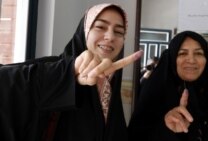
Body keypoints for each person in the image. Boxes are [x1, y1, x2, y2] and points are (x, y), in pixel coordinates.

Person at [0, 3, 142, 141]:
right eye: (100, 27)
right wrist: (67, 74)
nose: (110, 36)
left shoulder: (111, 87)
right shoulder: (54, 69)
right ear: (84, 31)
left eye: (119, 32)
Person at [128, 31, 208, 141]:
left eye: (198, 53)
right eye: (182, 53)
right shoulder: (154, 94)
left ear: (206, 59)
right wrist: (167, 128)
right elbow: (137, 136)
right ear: (172, 59)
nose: (191, 60)